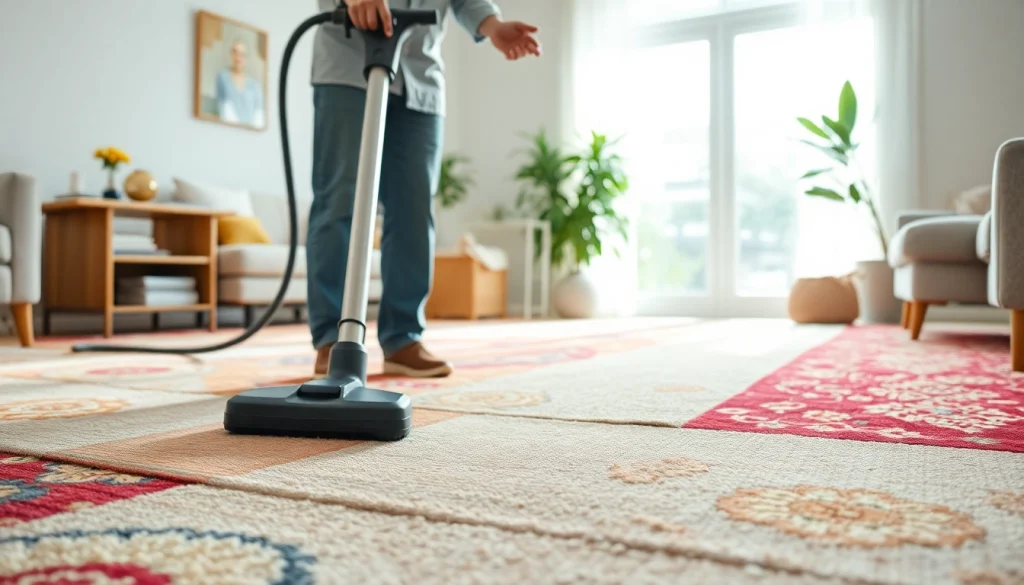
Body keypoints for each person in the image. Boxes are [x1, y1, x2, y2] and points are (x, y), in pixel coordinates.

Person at [308, 0, 540, 377]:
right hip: (348, 65)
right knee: (339, 202)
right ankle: (331, 340)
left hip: (420, 75)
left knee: (414, 210)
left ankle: (403, 339)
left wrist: (492, 25)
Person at [215, 39, 265, 127]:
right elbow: (223, 108)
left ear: (246, 57)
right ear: (231, 54)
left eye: (242, 54)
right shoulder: (223, 77)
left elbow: (259, 114)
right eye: (235, 52)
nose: (238, 57)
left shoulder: (254, 85)